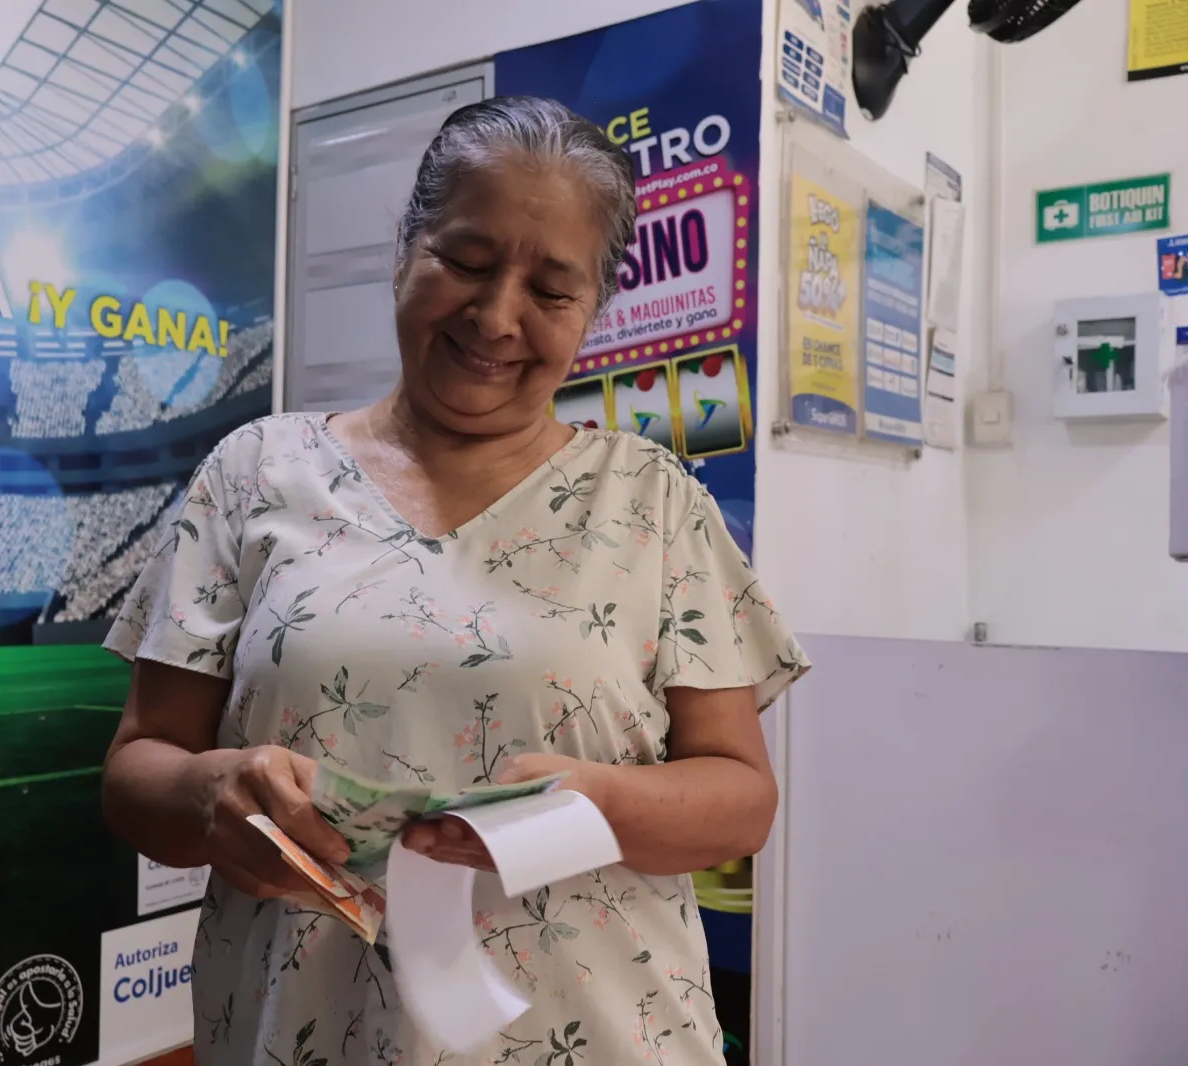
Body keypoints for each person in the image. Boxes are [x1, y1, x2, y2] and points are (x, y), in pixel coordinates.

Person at [101, 95, 809, 1066]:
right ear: (406, 249)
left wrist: (593, 803)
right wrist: (211, 792)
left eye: (550, 291)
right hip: (306, 1032)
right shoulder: (254, 472)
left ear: (592, 311)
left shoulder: (654, 502)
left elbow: (741, 799)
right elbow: (136, 770)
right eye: (467, 262)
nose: (495, 316)